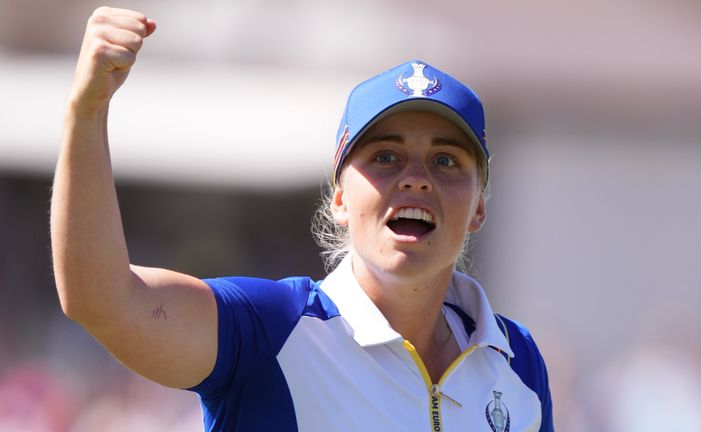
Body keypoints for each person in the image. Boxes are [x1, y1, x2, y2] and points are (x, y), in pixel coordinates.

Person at [51, 6, 553, 432]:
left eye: (445, 160)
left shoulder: (519, 362)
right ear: (338, 200)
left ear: (479, 208)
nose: (416, 179)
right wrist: (87, 111)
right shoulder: (268, 330)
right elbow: (102, 299)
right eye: (384, 157)